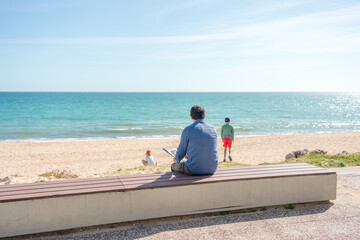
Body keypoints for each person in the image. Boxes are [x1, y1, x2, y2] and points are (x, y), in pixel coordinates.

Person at [171, 105, 218, 175]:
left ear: (191, 116)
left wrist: (176, 159)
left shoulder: (188, 130)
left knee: (173, 166)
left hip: (194, 169)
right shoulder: (213, 129)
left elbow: (181, 152)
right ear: (204, 116)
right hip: (212, 168)